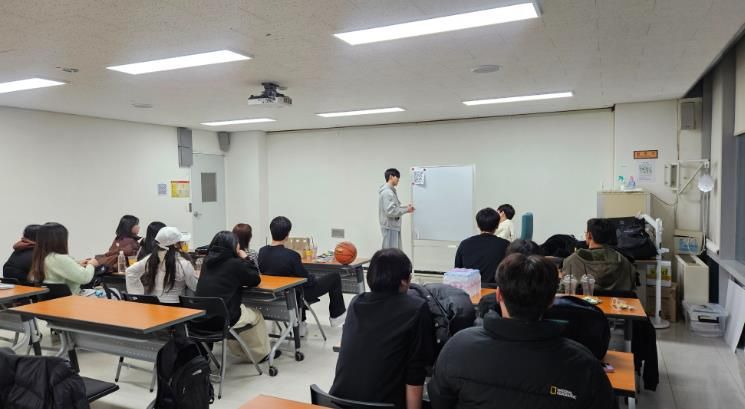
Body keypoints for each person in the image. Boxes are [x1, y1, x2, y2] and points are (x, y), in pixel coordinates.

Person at [429, 254, 615, 409]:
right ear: (552, 300)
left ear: (498, 295)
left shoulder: (457, 347)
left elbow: (439, 400)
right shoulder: (582, 364)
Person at [330, 248, 434, 409]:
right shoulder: (416, 308)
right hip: (382, 405)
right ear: (404, 281)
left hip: (336, 403)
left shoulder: (356, 302)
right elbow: (416, 372)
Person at [195, 231, 271, 362]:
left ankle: (240, 350)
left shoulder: (206, 262)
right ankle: (261, 355)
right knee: (256, 315)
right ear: (233, 246)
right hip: (223, 320)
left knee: (240, 311)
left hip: (201, 319)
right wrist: (246, 259)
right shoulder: (235, 264)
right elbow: (255, 279)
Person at [258, 216, 346, 329]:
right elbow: (306, 280)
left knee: (296, 284)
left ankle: (302, 322)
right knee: (334, 277)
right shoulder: (292, 255)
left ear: (271, 232)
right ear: (287, 235)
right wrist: (313, 277)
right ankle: (336, 317)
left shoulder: (262, 252)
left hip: (275, 296)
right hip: (295, 296)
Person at [125, 226, 197, 304]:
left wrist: (138, 296)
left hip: (153, 306)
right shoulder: (184, 264)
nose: (184, 243)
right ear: (176, 245)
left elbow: (130, 271)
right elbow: (194, 286)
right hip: (176, 306)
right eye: (182, 241)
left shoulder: (151, 259)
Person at [562, 218, 635, 291]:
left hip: (584, 298)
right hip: (617, 298)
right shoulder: (625, 263)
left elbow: (563, 290)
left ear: (589, 235)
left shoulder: (572, 261)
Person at [28, 222, 97, 295]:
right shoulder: (59, 258)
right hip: (72, 299)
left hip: (51, 300)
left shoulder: (41, 257)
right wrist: (91, 264)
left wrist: (77, 264)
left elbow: (59, 269)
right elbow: (85, 278)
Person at [454, 208, 509, 285]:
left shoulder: (464, 244)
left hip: (470, 288)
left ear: (478, 225)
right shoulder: (506, 245)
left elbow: (457, 271)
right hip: (494, 289)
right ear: (497, 225)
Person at [379, 168, 414, 249]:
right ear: (391, 177)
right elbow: (390, 211)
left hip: (392, 226)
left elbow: (394, 208)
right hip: (390, 226)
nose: (398, 180)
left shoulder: (390, 191)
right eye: (397, 177)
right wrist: (406, 210)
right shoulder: (387, 192)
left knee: (393, 251)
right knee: (390, 252)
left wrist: (406, 208)